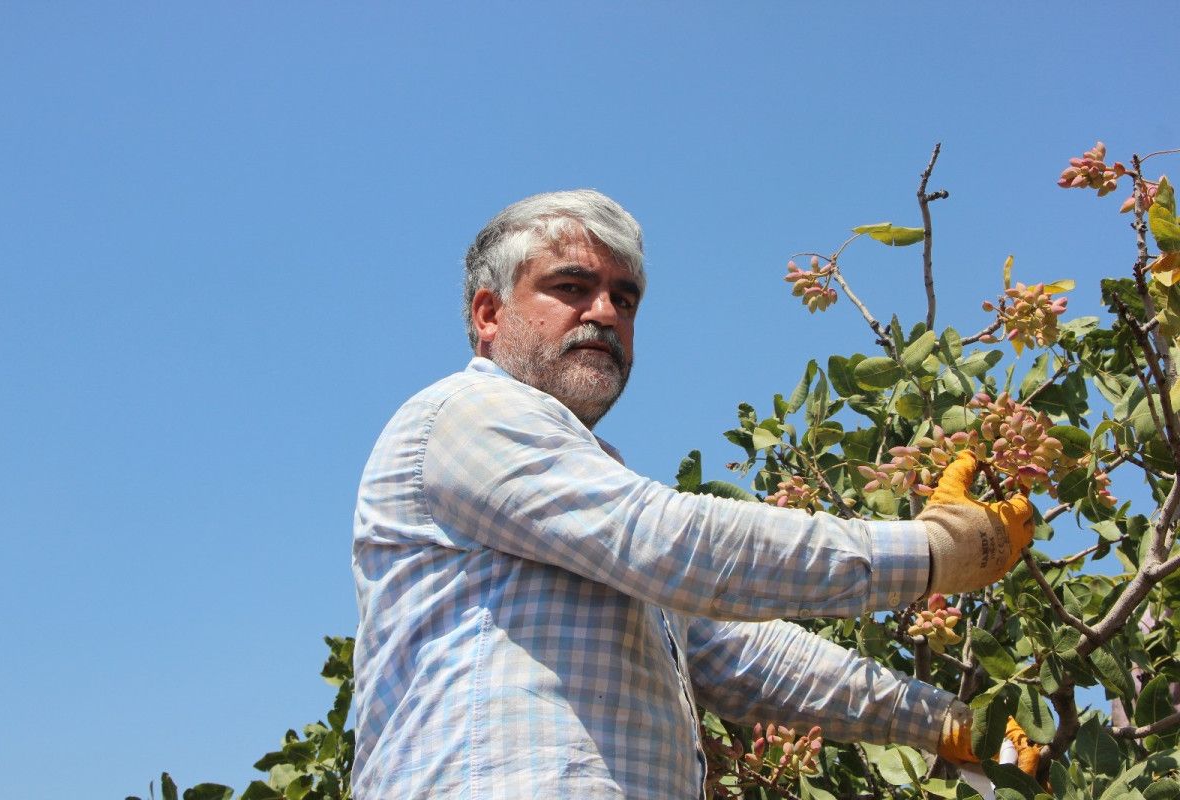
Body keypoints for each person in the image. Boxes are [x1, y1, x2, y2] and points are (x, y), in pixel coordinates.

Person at [351, 189, 1037, 798]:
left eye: (624, 299)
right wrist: (934, 552)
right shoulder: (466, 414)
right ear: (488, 314)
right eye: (571, 286)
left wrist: (942, 720)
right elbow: (669, 541)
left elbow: (748, 656)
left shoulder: (587, 494)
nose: (605, 312)